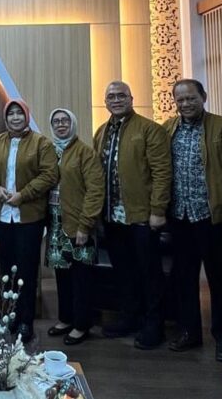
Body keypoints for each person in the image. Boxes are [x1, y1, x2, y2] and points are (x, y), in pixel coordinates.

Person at [162, 79, 222, 362]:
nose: (185, 104)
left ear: (203, 97)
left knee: (220, 278)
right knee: (183, 277)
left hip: (212, 216)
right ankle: (189, 332)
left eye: (191, 98)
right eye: (180, 99)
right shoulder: (168, 128)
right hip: (179, 216)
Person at [94, 81, 171, 350]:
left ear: (131, 98)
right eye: (111, 96)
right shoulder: (102, 132)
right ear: (105, 102)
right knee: (124, 272)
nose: (116, 100)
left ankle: (154, 325)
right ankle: (129, 317)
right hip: (112, 217)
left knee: (149, 274)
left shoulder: (149, 129)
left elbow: (162, 173)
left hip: (141, 216)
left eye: (121, 95)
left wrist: (158, 210)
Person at [0, 99, 58, 343]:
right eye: (11, 114)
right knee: (7, 269)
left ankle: (26, 321)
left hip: (29, 216)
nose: (15, 117)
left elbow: (49, 175)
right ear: (5, 118)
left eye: (19, 113)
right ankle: (11, 317)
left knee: (26, 270)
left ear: (27, 116)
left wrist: (23, 195)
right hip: (3, 217)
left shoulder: (41, 143)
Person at [45, 108, 104, 346]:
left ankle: (81, 325)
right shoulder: (49, 151)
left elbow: (95, 190)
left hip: (78, 222)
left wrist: (85, 224)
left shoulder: (84, 152)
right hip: (56, 222)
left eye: (65, 121)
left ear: (73, 124)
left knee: (81, 277)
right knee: (62, 274)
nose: (61, 125)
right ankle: (65, 319)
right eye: (56, 121)